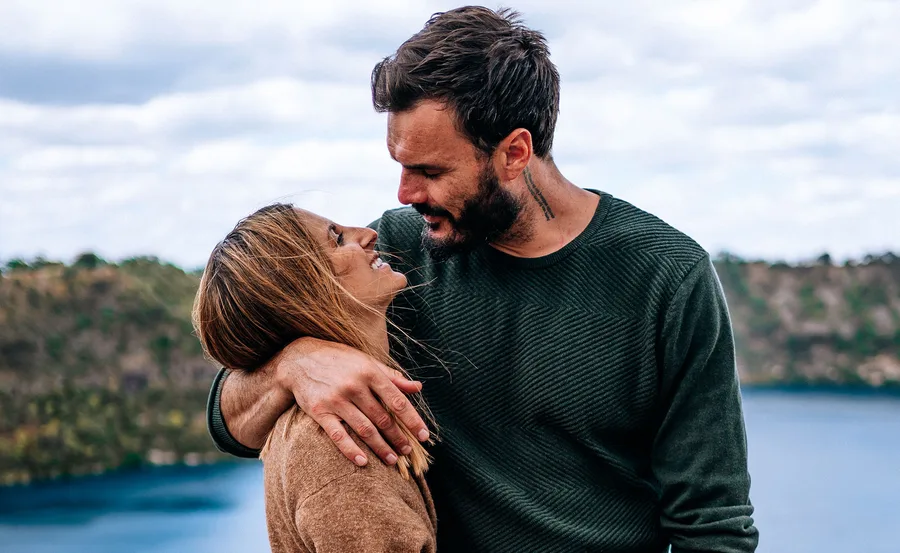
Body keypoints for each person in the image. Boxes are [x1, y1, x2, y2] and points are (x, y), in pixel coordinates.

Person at [207, 6, 759, 552]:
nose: (404, 194)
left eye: (430, 171)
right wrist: (294, 365)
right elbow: (229, 422)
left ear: (514, 152)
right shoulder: (396, 258)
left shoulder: (666, 276)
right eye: (399, 165)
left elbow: (714, 527)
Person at [194, 204, 437, 552]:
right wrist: (291, 362)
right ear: (307, 294)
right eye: (336, 239)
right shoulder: (342, 451)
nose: (370, 234)